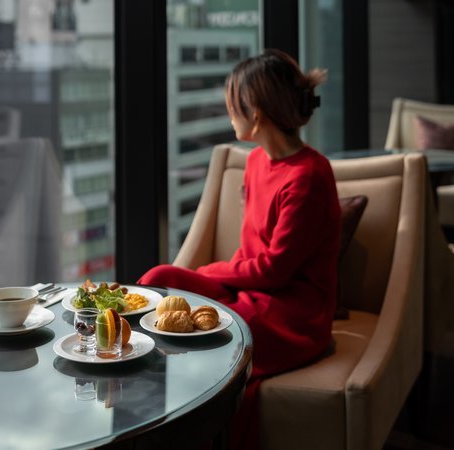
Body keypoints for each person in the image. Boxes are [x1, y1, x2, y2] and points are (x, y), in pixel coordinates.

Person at [138, 49, 341, 450]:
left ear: (256, 113)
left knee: (223, 329)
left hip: (291, 311)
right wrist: (215, 273)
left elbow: (274, 271)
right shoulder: (255, 163)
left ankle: (182, 426)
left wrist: (210, 273)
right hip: (250, 287)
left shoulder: (310, 176)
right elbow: (251, 255)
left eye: (233, 104)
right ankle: (142, 405)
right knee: (156, 280)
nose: (228, 112)